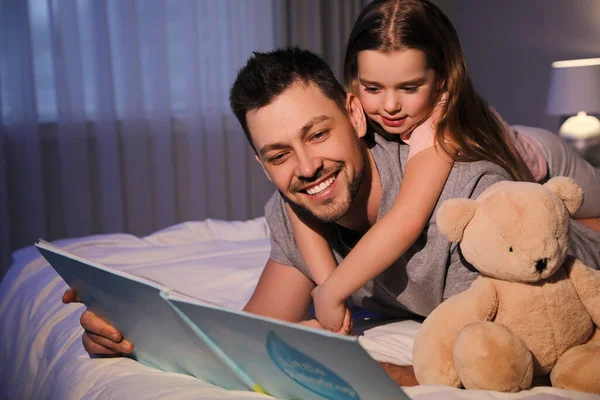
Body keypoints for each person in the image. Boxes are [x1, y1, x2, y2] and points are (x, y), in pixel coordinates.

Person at [63, 47, 600, 388]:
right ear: (260, 162)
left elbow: (526, 350)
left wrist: (384, 375)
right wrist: (128, 331)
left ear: (354, 112)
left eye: (317, 134)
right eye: (278, 154)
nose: (306, 168)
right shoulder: (295, 208)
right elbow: (253, 330)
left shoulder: (460, 201)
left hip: (565, 225)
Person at [284, 0, 600, 332]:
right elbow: (294, 201)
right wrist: (325, 283)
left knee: (574, 220)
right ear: (354, 78)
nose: (390, 105)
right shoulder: (361, 112)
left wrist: (331, 292)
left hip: (548, 162)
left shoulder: (440, 124)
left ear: (441, 80)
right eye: (373, 88)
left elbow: (407, 218)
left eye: (409, 87)